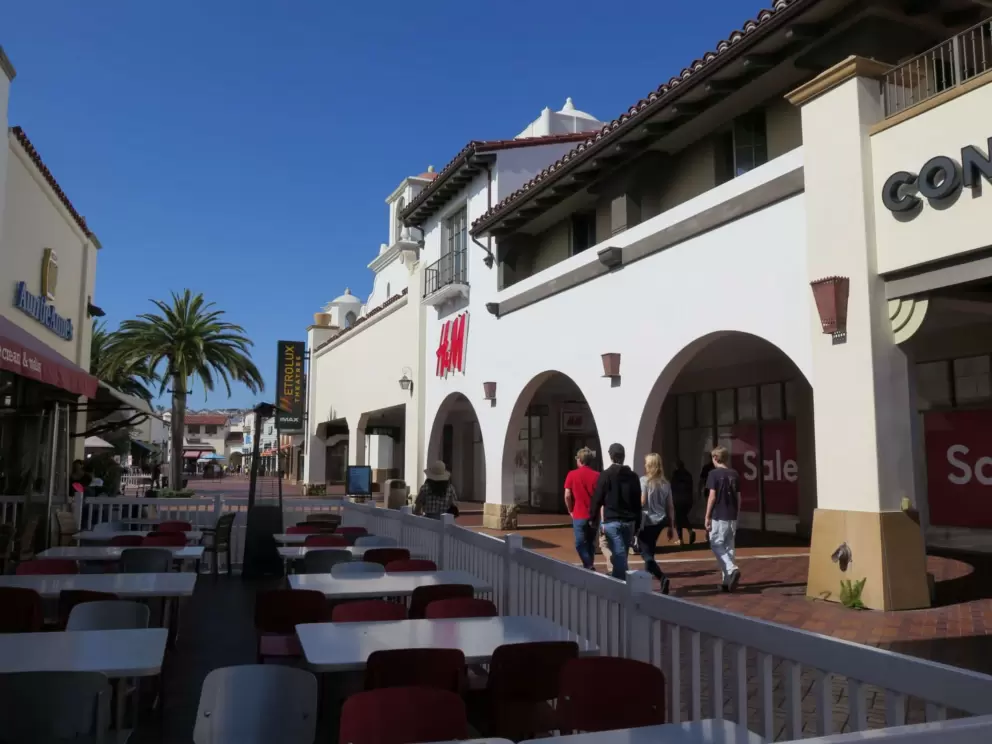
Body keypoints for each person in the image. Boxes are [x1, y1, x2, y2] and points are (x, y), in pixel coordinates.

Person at [589, 443, 642, 581]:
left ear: (611, 456)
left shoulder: (606, 475)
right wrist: (638, 523)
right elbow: (637, 502)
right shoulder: (633, 477)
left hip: (611, 521)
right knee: (621, 553)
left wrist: (592, 517)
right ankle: (621, 580)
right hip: (628, 521)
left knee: (619, 553)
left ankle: (621, 582)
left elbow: (597, 498)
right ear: (623, 457)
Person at [704, 446, 742, 592]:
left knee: (716, 544)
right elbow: (739, 497)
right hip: (732, 516)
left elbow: (712, 496)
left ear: (715, 458)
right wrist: (737, 514)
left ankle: (732, 569)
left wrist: (707, 515)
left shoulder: (713, 474)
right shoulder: (735, 474)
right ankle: (727, 581)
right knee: (729, 547)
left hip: (719, 515)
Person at [639, 453, 674, 594]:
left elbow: (642, 501)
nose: (645, 466)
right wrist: (672, 526)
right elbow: (670, 506)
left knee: (644, 552)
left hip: (647, 520)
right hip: (660, 521)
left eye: (646, 463)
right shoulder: (666, 483)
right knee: (650, 549)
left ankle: (662, 577)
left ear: (651, 465)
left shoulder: (644, 481)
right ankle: (648, 581)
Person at [563, 447, 600, 570]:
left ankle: (588, 565)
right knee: (590, 543)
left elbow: (567, 495)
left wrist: (570, 510)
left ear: (579, 459)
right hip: (593, 515)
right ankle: (589, 565)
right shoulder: (597, 475)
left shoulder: (572, 474)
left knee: (580, 544)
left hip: (579, 514)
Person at [670, 459, 695, 545]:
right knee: (683, 516)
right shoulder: (688, 474)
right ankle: (690, 530)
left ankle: (680, 539)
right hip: (688, 499)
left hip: (678, 499)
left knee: (678, 518)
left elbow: (672, 487)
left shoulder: (675, 474)